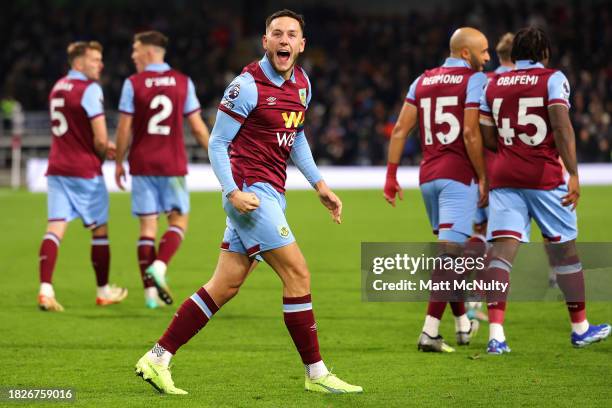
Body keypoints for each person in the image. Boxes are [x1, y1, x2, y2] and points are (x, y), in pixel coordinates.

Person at [134, 10, 362, 395]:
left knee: (223, 286)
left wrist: (319, 184)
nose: (284, 41)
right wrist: (232, 192)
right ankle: (316, 373)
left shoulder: (303, 83)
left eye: (292, 35)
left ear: (302, 45)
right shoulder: (247, 85)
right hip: (250, 195)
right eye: (277, 34)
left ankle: (156, 358)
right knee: (298, 274)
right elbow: (217, 142)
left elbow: (297, 135)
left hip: (271, 192)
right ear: (265, 41)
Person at [478, 26, 610, 354]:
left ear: (515, 54)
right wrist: (575, 173)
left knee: (502, 253)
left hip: (505, 177)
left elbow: (487, 134)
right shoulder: (552, 79)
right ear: (545, 53)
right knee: (565, 250)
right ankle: (580, 328)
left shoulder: (492, 83)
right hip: (545, 178)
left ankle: (496, 335)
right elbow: (562, 125)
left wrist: (508, 153)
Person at [384, 27, 490, 352]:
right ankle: (430, 332)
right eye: (484, 51)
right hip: (459, 176)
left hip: (428, 177)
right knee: (454, 257)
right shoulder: (474, 81)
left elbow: (401, 128)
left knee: (451, 256)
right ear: (465, 53)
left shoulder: (422, 80)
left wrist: (391, 175)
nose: (488, 58)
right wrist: (484, 176)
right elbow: (472, 135)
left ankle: (461, 325)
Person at [114, 31, 210, 309]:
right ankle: (160, 265)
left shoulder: (133, 83)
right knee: (178, 222)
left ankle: (150, 296)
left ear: (149, 51)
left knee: (147, 228)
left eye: (135, 50)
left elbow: (123, 128)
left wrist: (119, 161)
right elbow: (197, 127)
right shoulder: (182, 82)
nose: (133, 55)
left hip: (142, 163)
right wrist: (219, 157)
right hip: (172, 164)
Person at [38, 41, 127, 311]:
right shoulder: (90, 89)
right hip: (84, 170)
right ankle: (103, 291)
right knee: (100, 230)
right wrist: (104, 151)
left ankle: (45, 289)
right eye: (94, 60)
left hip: (57, 168)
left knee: (55, 229)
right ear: (78, 63)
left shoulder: (57, 87)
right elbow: (100, 138)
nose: (100, 64)